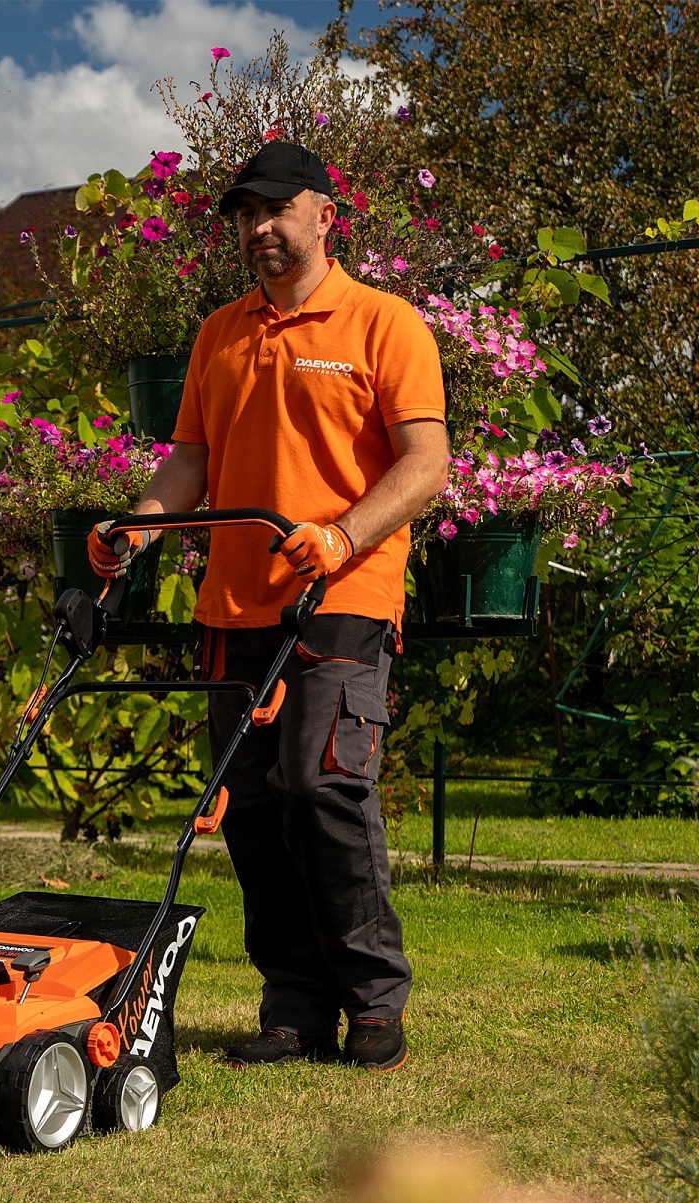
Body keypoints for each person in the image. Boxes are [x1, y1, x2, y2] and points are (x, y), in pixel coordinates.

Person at [89, 141, 448, 1072]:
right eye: (245, 215)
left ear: (326, 214)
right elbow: (191, 463)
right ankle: (292, 1007)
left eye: (274, 210)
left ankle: (372, 999)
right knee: (249, 808)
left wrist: (342, 535)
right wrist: (136, 530)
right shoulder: (220, 333)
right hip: (233, 604)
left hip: (343, 591)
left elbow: (425, 465)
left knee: (324, 788)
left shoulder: (384, 323)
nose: (258, 228)